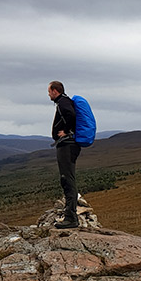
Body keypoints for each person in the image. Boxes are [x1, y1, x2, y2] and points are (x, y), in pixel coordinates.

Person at [48, 81, 80, 228]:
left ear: (55, 91)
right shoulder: (64, 101)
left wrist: (66, 131)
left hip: (67, 145)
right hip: (69, 144)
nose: (48, 94)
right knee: (68, 179)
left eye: (49, 91)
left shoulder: (63, 103)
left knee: (67, 180)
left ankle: (71, 218)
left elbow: (71, 115)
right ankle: (71, 216)